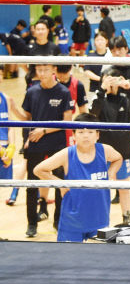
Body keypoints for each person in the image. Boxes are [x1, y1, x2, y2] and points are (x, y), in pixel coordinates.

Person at [33, 115, 122, 242]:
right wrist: (60, 184)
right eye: (81, 132)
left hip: (99, 219)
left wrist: (111, 174)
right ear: (73, 135)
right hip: (72, 222)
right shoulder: (67, 154)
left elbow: (118, 158)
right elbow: (38, 169)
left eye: (90, 132)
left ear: (97, 134)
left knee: (97, 259)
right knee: (69, 259)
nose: (86, 136)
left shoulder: (105, 150)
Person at [14, 63, 73, 237]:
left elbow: (67, 121)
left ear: (54, 70)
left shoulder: (63, 92)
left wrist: (44, 130)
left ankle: (58, 221)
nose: (42, 73)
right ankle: (32, 224)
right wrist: (12, 109)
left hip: (57, 144)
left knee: (59, 184)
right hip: (35, 143)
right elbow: (26, 117)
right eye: (39, 70)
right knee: (32, 185)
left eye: (46, 69)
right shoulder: (32, 91)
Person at [91, 69, 130, 225]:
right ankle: (99, 220)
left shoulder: (125, 98)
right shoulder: (98, 96)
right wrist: (102, 89)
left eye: (114, 79)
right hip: (101, 151)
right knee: (101, 188)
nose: (111, 83)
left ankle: (126, 218)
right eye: (108, 79)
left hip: (122, 150)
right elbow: (93, 113)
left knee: (124, 187)